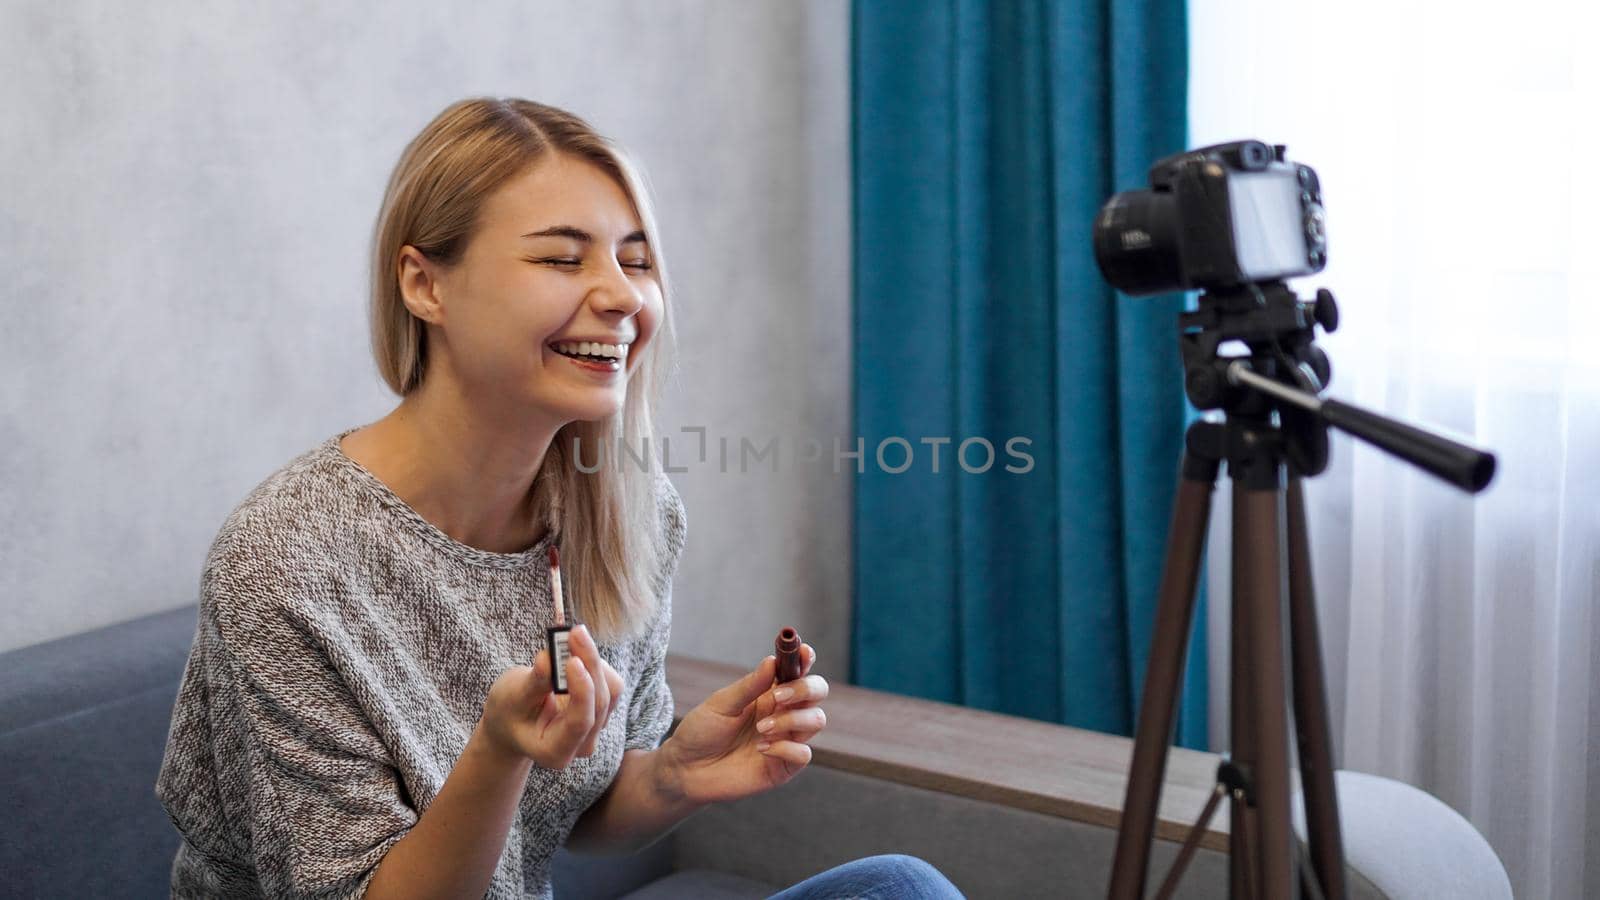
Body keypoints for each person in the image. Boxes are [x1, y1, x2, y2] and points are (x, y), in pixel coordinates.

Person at [154, 97, 964, 900]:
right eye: (562, 259)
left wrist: (675, 775)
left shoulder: (628, 515)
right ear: (424, 284)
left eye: (636, 260)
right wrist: (498, 753)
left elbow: (583, 816)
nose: (623, 297)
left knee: (899, 887)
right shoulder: (287, 560)